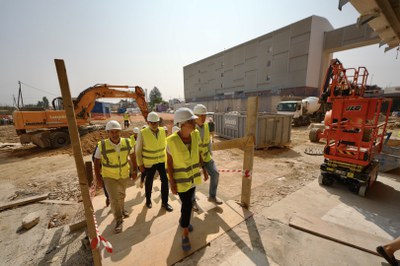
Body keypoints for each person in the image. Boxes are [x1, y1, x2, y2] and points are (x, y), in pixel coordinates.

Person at [166, 107, 208, 251]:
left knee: (189, 202)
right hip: (180, 181)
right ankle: (184, 234)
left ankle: (183, 221)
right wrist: (171, 182)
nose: (194, 122)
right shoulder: (171, 141)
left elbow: (199, 153)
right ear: (182, 124)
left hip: (193, 179)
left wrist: (204, 168)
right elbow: (169, 163)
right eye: (191, 120)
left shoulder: (195, 135)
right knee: (187, 205)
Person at [94, 120, 137, 234]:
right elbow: (96, 161)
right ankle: (118, 219)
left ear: (120, 132)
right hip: (109, 176)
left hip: (123, 174)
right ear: (108, 133)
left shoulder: (127, 142)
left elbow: (132, 157)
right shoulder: (102, 145)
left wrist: (134, 170)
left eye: (116, 131)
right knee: (113, 198)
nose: (114, 134)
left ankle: (122, 210)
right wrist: (98, 178)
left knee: (122, 195)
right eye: (111, 132)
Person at [136, 111, 173, 212]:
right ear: (148, 122)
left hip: (161, 161)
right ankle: (148, 200)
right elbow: (138, 150)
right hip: (149, 162)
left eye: (155, 122)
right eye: (151, 123)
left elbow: (165, 145)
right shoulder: (142, 133)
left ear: (158, 122)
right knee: (149, 182)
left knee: (165, 181)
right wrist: (140, 164)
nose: (154, 125)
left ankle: (165, 203)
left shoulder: (162, 131)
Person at [192, 104, 223, 210]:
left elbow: (208, 141)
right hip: (194, 159)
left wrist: (210, 154)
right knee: (194, 180)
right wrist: (203, 169)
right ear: (195, 116)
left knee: (215, 173)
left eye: (204, 115)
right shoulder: (191, 128)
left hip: (206, 156)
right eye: (201, 115)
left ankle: (212, 196)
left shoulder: (206, 126)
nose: (204, 117)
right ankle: (192, 201)